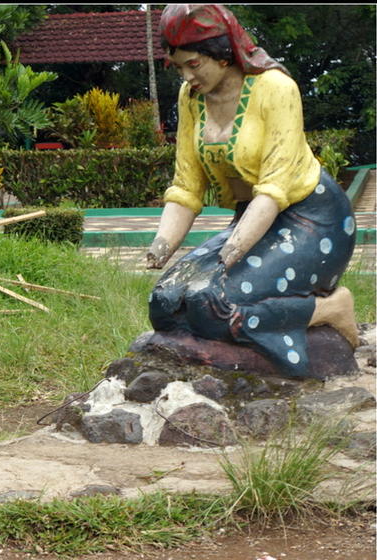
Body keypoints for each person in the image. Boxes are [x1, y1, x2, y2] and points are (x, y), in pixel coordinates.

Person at [145, 4, 358, 378]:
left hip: (311, 220)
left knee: (213, 301)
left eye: (194, 64)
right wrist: (162, 245)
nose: (186, 75)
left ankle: (330, 310)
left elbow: (274, 190)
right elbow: (186, 186)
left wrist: (233, 252)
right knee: (166, 301)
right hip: (250, 218)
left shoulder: (275, 88)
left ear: (224, 54)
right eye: (179, 67)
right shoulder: (191, 98)